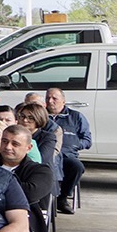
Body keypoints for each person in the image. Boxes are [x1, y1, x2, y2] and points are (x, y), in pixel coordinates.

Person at [44, 86, 89, 214]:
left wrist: (75, 145)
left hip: (67, 155)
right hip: (48, 154)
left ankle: (62, 199)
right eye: (48, 98)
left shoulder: (76, 117)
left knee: (77, 167)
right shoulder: (41, 116)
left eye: (54, 98)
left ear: (63, 101)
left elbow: (87, 140)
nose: (50, 101)